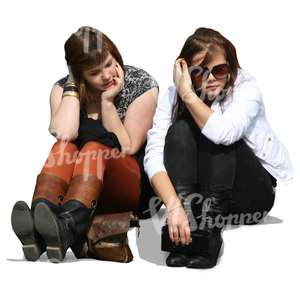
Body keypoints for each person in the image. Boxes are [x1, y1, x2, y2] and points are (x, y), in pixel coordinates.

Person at [144, 27, 294, 269]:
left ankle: (209, 232)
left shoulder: (246, 87)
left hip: (250, 194)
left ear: (231, 67)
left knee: (218, 133)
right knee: (180, 129)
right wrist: (173, 206)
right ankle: (188, 224)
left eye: (219, 69)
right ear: (186, 71)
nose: (211, 78)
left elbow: (224, 133)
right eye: (200, 71)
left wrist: (187, 94)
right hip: (202, 194)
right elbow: (153, 157)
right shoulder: (172, 96)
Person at [11, 26, 162, 263]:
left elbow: (127, 147)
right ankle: (44, 223)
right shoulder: (63, 88)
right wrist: (72, 84)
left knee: (92, 148)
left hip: (132, 188)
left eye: (109, 63)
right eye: (94, 72)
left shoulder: (141, 84)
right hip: (82, 189)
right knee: (63, 148)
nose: (107, 75)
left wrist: (108, 104)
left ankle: (64, 228)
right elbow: (64, 132)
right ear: (79, 74)